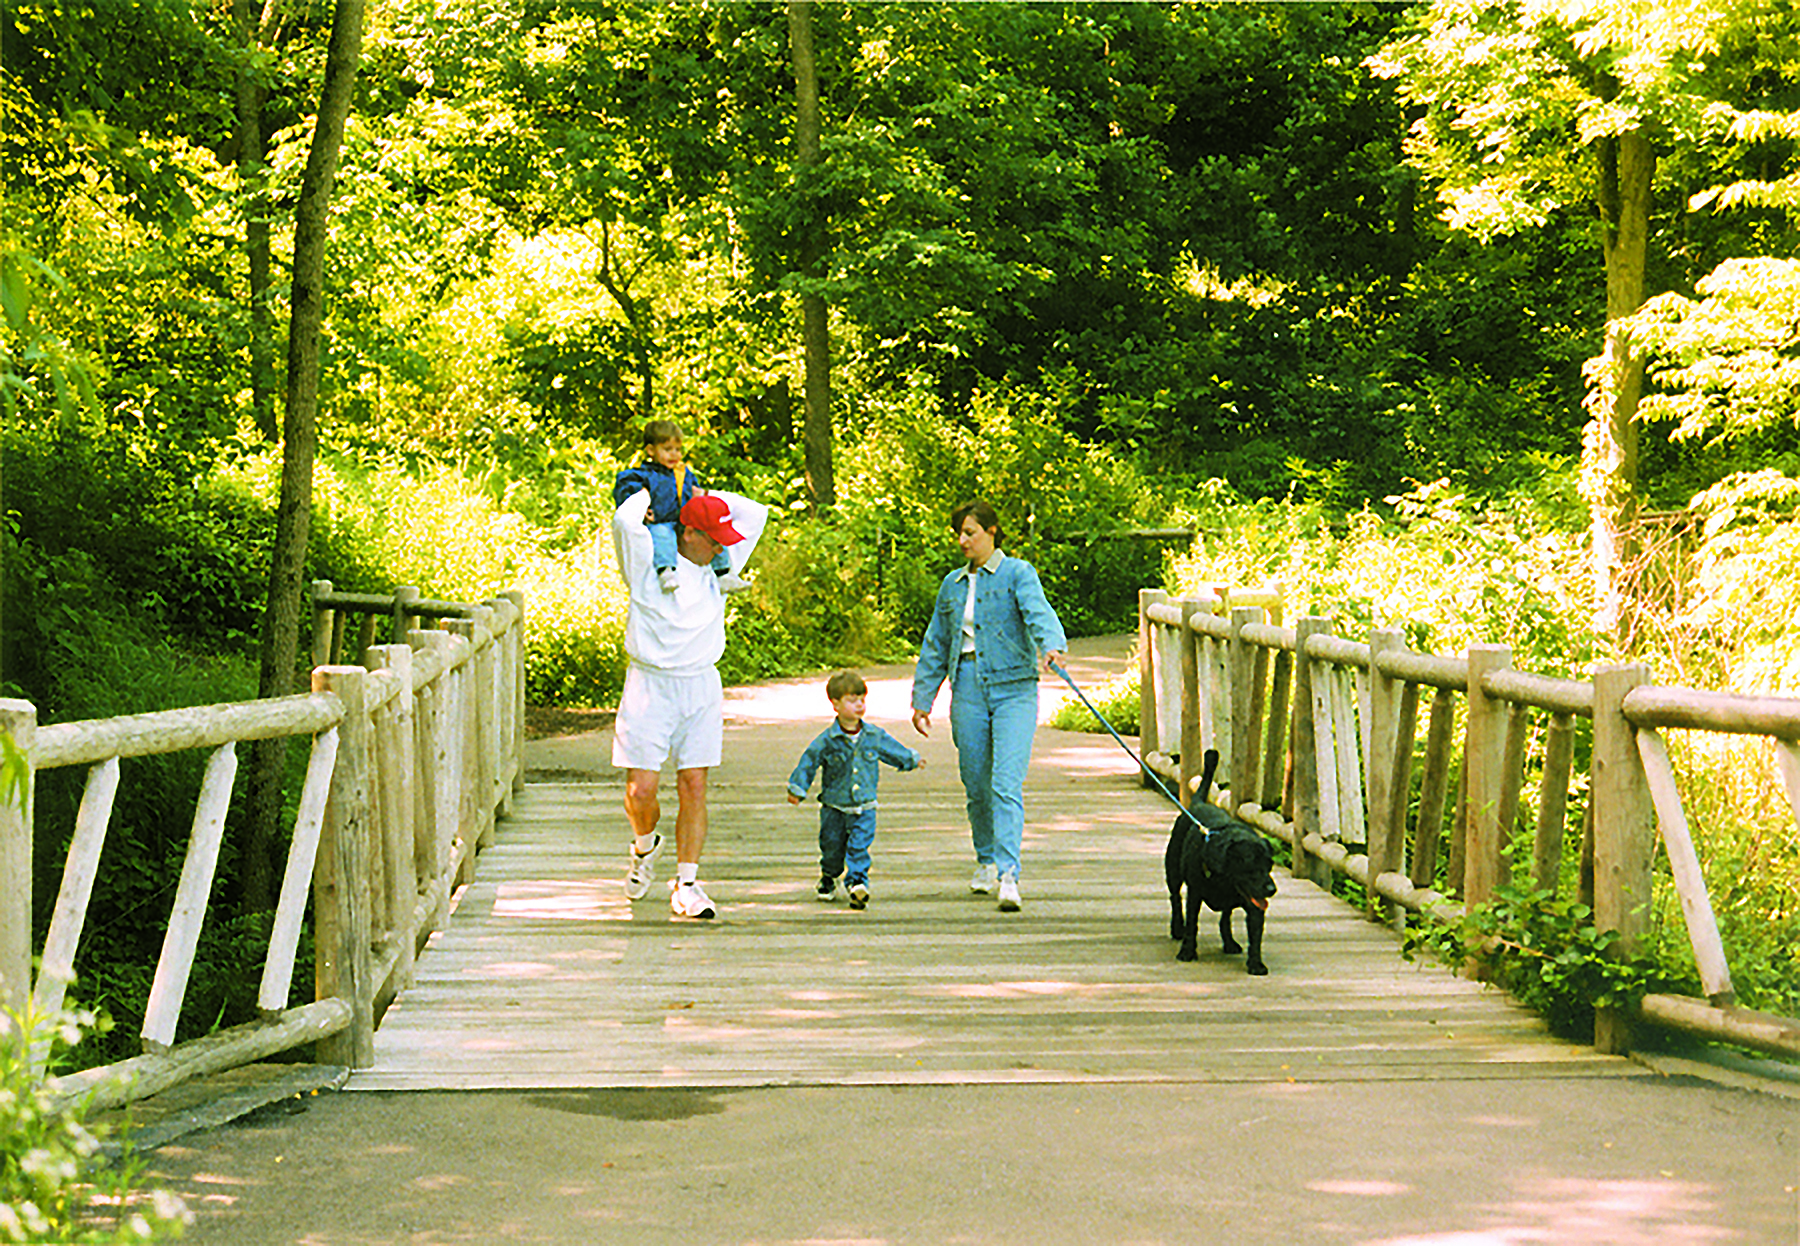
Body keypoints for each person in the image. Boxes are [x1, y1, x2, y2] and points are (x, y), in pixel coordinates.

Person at [614, 484, 768, 919]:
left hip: (700, 684)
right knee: (640, 789)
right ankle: (645, 847)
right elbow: (626, 520)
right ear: (688, 533)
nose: (723, 548)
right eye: (714, 538)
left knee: (694, 784)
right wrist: (657, 490)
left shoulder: (718, 565)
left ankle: (687, 884)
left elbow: (755, 511)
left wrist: (699, 489)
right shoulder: (647, 561)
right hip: (650, 684)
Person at [910, 499, 1067, 912]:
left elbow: (1038, 612)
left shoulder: (1018, 573)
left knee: (1005, 783)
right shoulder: (952, 585)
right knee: (976, 783)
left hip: (1015, 688)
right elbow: (936, 643)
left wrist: (1051, 646)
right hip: (967, 689)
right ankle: (984, 858)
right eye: (958, 533)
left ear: (992, 532)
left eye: (970, 532)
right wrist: (922, 699)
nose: (962, 540)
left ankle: (1008, 873)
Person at [786, 670, 924, 910]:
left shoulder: (873, 736)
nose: (859, 705)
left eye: (862, 699)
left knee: (859, 845)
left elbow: (892, 750)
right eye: (852, 700)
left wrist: (910, 759)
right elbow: (809, 761)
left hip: (865, 806)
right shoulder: (827, 740)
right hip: (834, 806)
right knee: (832, 847)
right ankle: (829, 877)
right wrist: (798, 788)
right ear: (835, 704)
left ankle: (858, 883)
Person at [612, 419, 740, 592]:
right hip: (660, 520)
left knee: (712, 531)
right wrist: (641, 506)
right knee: (662, 535)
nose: (674, 455)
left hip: (685, 521)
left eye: (678, 450)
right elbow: (625, 489)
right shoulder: (643, 474)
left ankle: (724, 573)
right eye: (667, 449)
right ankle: (666, 571)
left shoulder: (683, 473)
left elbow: (694, 491)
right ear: (651, 450)